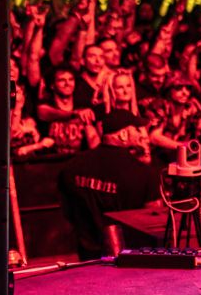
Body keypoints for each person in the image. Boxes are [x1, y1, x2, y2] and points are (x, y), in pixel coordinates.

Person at [58, 110, 159, 259]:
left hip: (87, 256)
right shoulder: (143, 172)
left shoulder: (72, 167)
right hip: (130, 259)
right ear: (123, 134)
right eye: (136, 130)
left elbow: (66, 210)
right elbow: (153, 220)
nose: (140, 135)